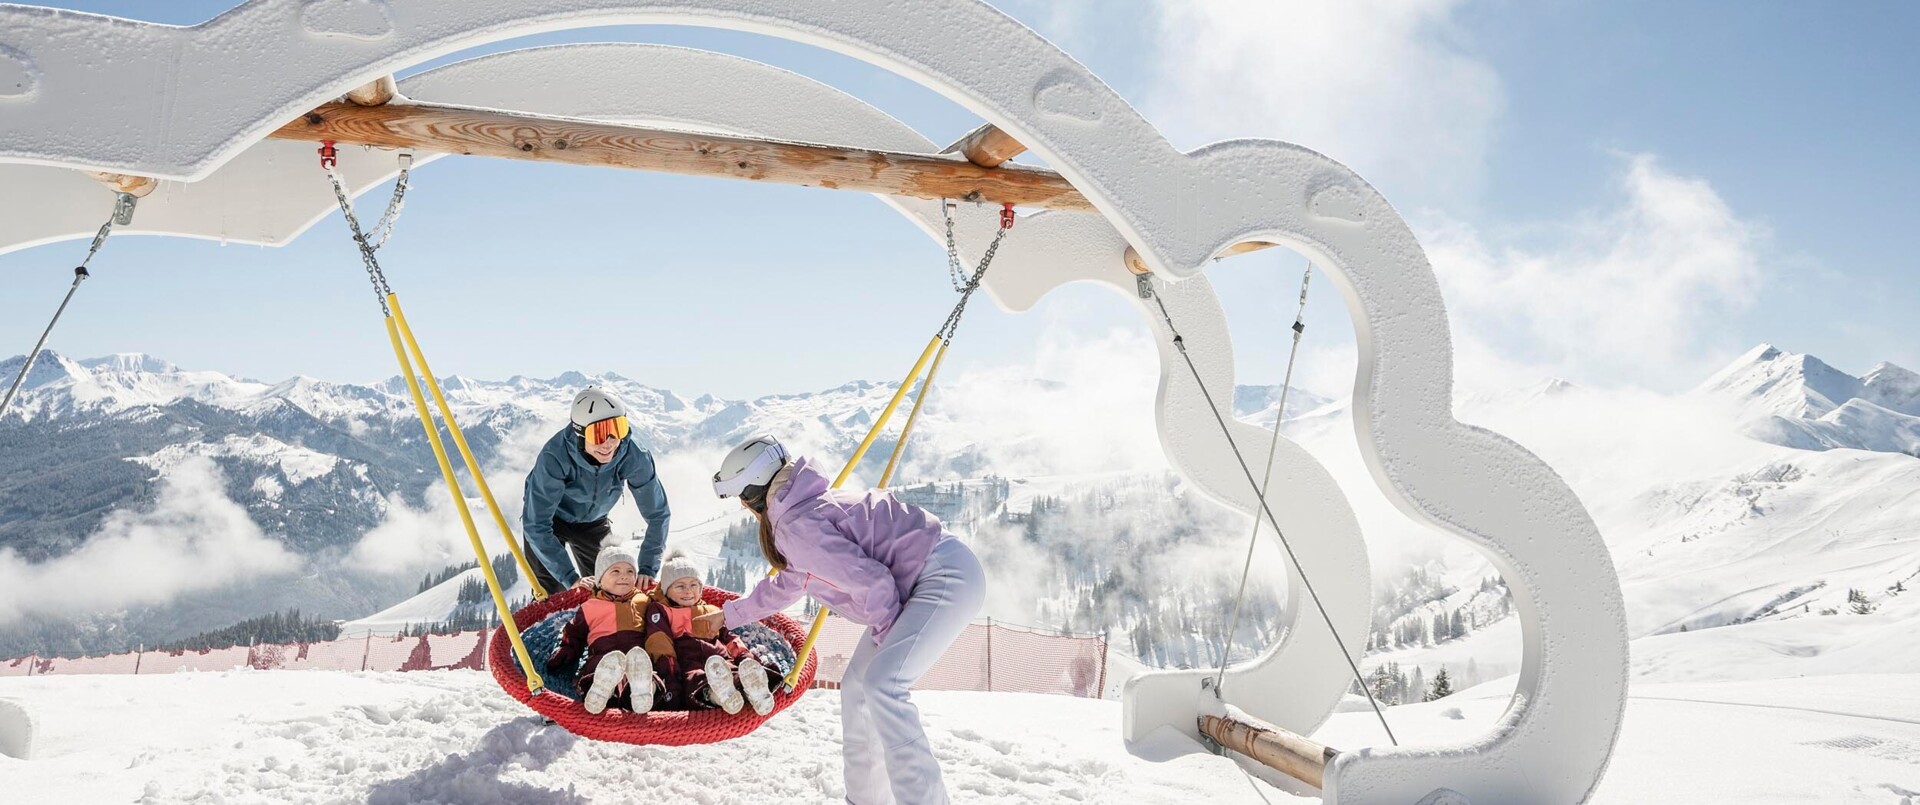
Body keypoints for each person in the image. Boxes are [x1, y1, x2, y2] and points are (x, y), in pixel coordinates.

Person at [698, 435, 986, 805]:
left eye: (741, 499)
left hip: (942, 575)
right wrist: (728, 615)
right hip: (922, 576)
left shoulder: (795, 525)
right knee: (857, 688)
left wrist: (886, 641)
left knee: (883, 683)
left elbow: (876, 584)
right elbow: (792, 582)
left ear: (752, 493)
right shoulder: (799, 510)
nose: (744, 507)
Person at [522, 387, 671, 594]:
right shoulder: (554, 457)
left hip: (593, 522)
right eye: (598, 433)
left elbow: (658, 514)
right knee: (552, 594)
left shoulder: (633, 455)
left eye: (618, 429)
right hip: (551, 522)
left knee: (610, 587)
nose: (609, 442)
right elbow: (536, 524)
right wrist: (570, 578)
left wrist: (647, 567)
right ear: (580, 434)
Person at [641, 552, 777, 715]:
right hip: (688, 659)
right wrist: (669, 671)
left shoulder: (712, 611)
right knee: (695, 680)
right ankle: (720, 697)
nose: (688, 591)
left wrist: (744, 657)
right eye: (680, 586)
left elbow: (729, 638)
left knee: (733, 672)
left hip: (720, 658)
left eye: (693, 585)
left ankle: (753, 689)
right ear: (666, 590)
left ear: (700, 588)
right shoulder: (661, 609)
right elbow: (659, 639)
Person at [544, 545, 660, 715]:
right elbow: (574, 634)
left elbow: (662, 618)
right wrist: (564, 653)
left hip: (637, 657)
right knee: (597, 671)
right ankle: (601, 692)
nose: (624, 576)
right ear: (600, 579)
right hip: (603, 655)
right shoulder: (590, 606)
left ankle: (643, 691)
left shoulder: (644, 600)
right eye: (615, 571)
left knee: (649, 675)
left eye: (630, 571)